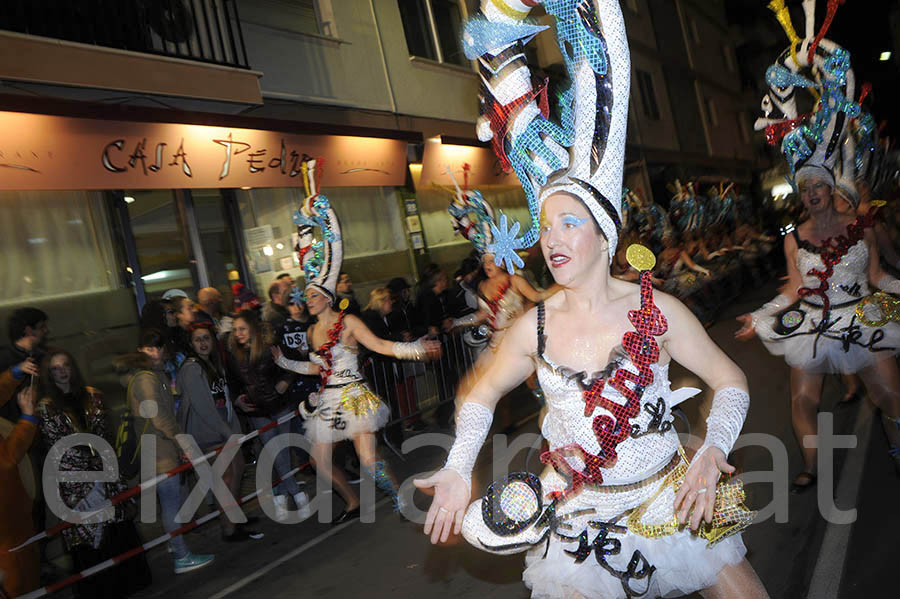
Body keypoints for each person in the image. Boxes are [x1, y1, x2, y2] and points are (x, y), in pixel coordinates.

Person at [416, 3, 768, 598]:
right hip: (581, 520)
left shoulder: (660, 312)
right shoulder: (535, 328)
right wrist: (456, 468)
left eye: (569, 224)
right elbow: (480, 398)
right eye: (545, 226)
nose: (551, 239)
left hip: (668, 497)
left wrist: (712, 449)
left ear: (604, 236)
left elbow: (729, 379)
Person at [736, 6, 900, 491]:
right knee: (802, 401)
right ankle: (813, 468)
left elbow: (876, 278)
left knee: (891, 396)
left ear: (830, 188)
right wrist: (761, 315)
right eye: (804, 186)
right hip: (811, 322)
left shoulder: (862, 226)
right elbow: (791, 288)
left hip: (861, 317)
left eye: (817, 184)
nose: (810, 192)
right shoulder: (793, 238)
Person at [274, 158, 440, 522]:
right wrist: (285, 363)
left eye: (315, 294)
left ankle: (399, 497)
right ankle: (351, 502)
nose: (309, 299)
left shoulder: (348, 322)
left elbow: (380, 346)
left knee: (368, 459)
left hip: (354, 396)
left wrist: (416, 349)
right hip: (328, 400)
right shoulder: (309, 331)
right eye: (307, 295)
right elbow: (315, 366)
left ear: (328, 297)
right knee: (319, 460)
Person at [37, 350, 151, 596]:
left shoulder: (92, 395)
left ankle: (129, 582)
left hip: (106, 475)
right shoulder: (46, 407)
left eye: (66, 365)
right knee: (88, 537)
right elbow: (57, 445)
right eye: (56, 368)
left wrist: (102, 463)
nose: (62, 371)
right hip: (76, 484)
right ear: (49, 373)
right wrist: (91, 467)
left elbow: (106, 434)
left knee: (117, 528)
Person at [114, 330, 214, 574]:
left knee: (172, 500)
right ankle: (181, 555)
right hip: (159, 451)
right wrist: (183, 443)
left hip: (159, 449)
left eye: (158, 347)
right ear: (140, 351)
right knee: (171, 503)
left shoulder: (149, 375)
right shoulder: (146, 378)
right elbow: (159, 417)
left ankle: (175, 544)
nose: (156, 352)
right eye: (149, 348)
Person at [177, 323, 262, 541]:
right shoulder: (192, 368)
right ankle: (229, 528)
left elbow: (222, 400)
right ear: (190, 343)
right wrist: (227, 432)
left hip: (223, 429)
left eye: (206, 338)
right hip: (208, 433)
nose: (203, 343)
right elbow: (204, 408)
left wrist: (233, 425)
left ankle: (233, 519)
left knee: (237, 469)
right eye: (198, 339)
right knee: (225, 478)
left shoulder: (211, 364)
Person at [227, 310, 311, 522]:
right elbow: (232, 384)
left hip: (280, 406)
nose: (238, 333)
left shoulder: (270, 346)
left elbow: (293, 362)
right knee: (276, 452)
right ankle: (297, 494)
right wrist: (238, 400)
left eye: (242, 328)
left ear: (253, 329)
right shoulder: (232, 354)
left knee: (282, 450)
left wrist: (286, 381)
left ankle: (282, 496)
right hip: (257, 411)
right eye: (235, 329)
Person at [0, 361, 40, 598]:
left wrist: (14, 374)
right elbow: (7, 458)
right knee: (19, 577)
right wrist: (28, 418)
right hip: (8, 528)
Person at [0, 308, 49, 421]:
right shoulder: (4, 358)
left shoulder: (43, 355)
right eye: (42, 327)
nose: (46, 331)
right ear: (29, 331)